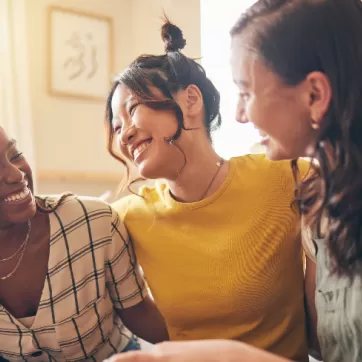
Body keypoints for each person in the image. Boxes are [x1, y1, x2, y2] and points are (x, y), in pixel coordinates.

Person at [107, 0, 362, 361]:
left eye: (132, 109)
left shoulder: (297, 179)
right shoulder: (122, 219)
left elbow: (321, 331)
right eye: (116, 127)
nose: (124, 136)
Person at [0, 126, 168, 361]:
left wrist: (210, 351)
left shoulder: (93, 221)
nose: (16, 174)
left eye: (15, 155)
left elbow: (138, 313)